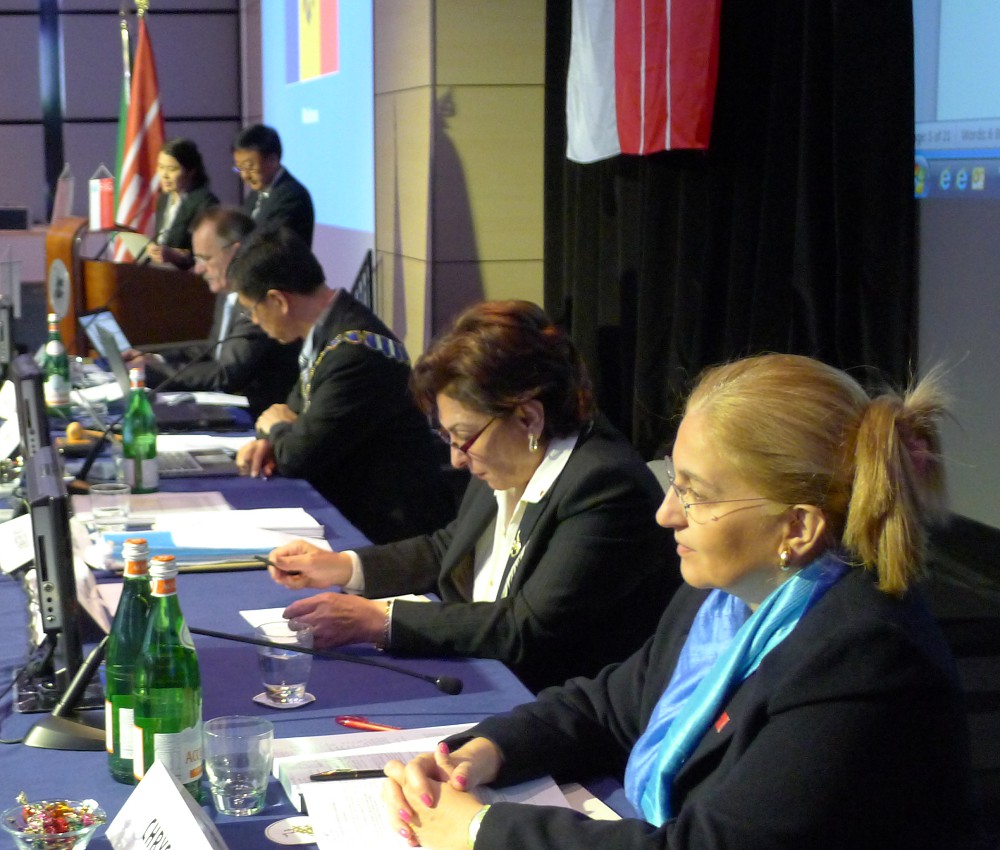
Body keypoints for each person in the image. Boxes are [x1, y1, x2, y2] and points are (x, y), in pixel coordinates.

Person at [381, 353, 985, 850]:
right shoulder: (723, 597)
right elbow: (607, 706)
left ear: (797, 528)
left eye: (695, 493)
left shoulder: (862, 656)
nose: (667, 513)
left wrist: (480, 830)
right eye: (675, 479)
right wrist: (483, 752)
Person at [264, 300, 679, 692]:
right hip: (485, 668)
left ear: (528, 416)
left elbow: (525, 626)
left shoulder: (604, 486)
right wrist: (343, 567)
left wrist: (380, 619)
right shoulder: (508, 446)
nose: (456, 459)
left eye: (461, 437)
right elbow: (451, 546)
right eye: (447, 437)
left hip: (544, 697)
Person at [229, 225, 454, 544]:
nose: (253, 321)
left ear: (278, 300)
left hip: (390, 533)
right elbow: (289, 414)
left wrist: (277, 432)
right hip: (358, 513)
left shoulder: (354, 351)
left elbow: (297, 456)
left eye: (252, 309)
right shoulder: (330, 332)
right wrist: (270, 439)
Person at [125, 207, 301, 419]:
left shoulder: (259, 299)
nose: (198, 269)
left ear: (235, 253)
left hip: (256, 416)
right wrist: (155, 359)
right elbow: (211, 349)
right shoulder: (226, 291)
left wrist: (154, 373)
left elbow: (227, 373)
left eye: (205, 258)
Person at [232, 124, 314, 246]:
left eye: (249, 166)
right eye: (239, 167)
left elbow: (269, 243)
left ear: (273, 160)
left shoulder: (292, 196)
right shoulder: (256, 193)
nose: (244, 175)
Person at [146, 138, 218, 269]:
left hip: (187, 275)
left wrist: (177, 256)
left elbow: (209, 254)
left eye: (172, 169)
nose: (164, 175)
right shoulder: (164, 199)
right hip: (159, 272)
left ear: (190, 171)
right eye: (161, 167)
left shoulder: (205, 203)